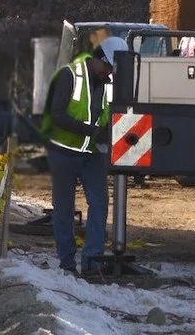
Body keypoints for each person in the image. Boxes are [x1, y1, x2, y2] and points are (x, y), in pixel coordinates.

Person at [41, 40, 122, 278]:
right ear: (98, 59)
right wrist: (88, 130)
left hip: (92, 154)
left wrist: (104, 137)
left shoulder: (108, 84)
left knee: (99, 204)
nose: (109, 73)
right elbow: (57, 115)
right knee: (64, 209)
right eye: (107, 68)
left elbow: (108, 116)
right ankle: (67, 263)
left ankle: (92, 261)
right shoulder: (69, 76)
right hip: (63, 152)